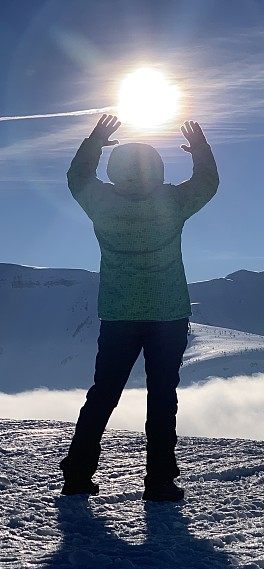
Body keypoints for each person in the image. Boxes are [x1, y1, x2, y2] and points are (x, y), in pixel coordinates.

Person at [59, 114, 219, 502]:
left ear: (115, 170)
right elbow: (208, 183)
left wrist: (95, 140)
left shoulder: (102, 203)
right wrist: (200, 149)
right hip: (168, 315)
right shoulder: (172, 202)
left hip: (117, 314)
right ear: (158, 168)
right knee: (162, 396)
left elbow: (77, 177)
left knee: (103, 393)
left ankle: (78, 474)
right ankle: (160, 481)